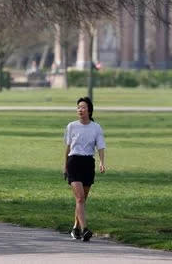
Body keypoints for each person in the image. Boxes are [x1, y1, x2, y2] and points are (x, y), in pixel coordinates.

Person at [63, 96, 106, 242]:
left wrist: (102, 162)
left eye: (83, 107)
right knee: (80, 198)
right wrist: (65, 166)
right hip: (74, 162)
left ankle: (75, 228)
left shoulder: (96, 127)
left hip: (88, 163)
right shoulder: (71, 126)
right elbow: (68, 147)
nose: (80, 110)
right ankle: (85, 229)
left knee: (81, 200)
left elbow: (100, 146)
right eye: (78, 107)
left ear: (89, 110)